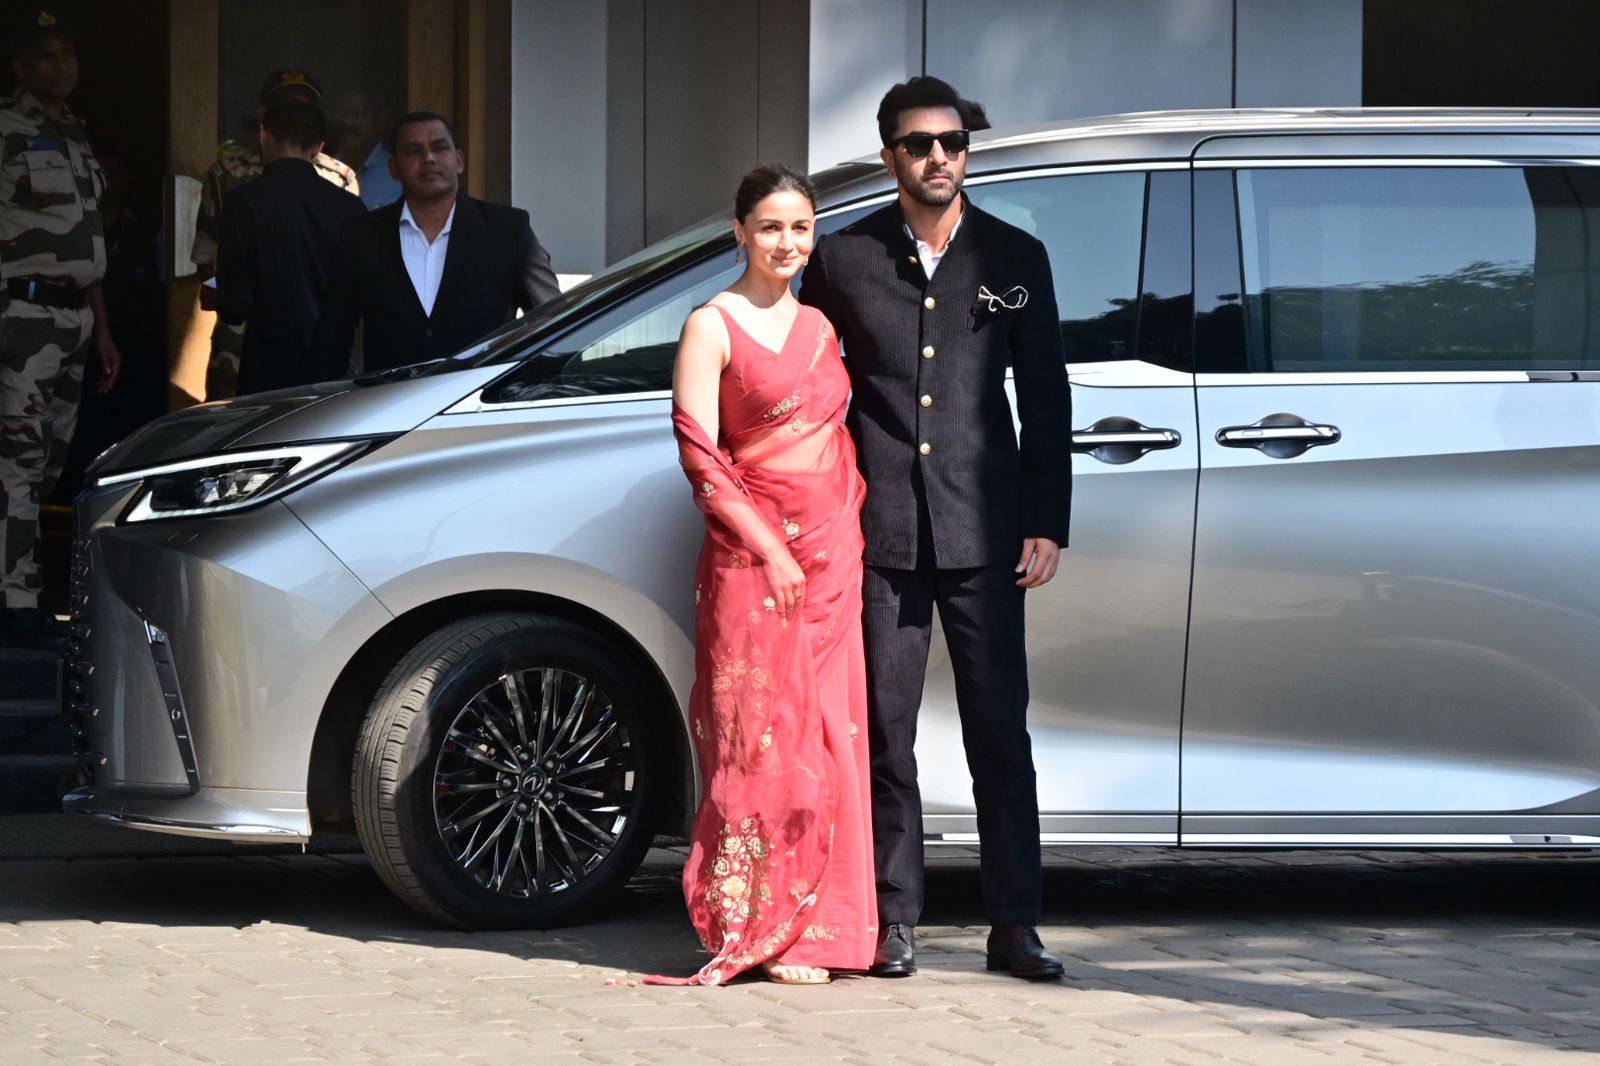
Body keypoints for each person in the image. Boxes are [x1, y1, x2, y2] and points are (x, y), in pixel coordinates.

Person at [798, 76, 1073, 980]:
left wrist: (1046, 521)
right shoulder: (840, 260)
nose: (939, 157)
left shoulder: (1016, 256)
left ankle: (1016, 927)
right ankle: (893, 919)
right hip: (877, 536)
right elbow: (816, 392)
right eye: (919, 144)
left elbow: (1045, 401)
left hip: (985, 532)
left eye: (952, 141)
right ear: (890, 158)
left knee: (1001, 730)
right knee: (886, 730)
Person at [647, 164, 876, 986]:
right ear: (739, 231)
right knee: (759, 742)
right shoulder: (712, 325)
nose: (787, 243)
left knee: (830, 738)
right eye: (771, 227)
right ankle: (757, 928)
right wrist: (771, 550)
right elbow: (701, 456)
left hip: (833, 560)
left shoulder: (820, 325)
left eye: (801, 228)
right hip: (752, 562)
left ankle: (824, 930)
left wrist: (826, 539)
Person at [0, 7, 121, 647]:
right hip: (21, 314)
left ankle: (14, 578)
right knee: (17, 458)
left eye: (69, 52)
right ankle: (15, 600)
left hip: (74, 318)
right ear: (21, 65)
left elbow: (87, 243)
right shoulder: (6, 128)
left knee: (49, 459)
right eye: (47, 54)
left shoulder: (74, 132)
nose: (62, 65)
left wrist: (101, 328)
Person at [312, 111, 558, 374]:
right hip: (388, 406)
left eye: (439, 148)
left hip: (479, 405)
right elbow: (332, 340)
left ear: (459, 161)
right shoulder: (361, 237)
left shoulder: (507, 229)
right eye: (413, 150)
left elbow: (552, 321)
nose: (428, 158)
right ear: (394, 168)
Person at [193, 69, 359, 400]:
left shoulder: (341, 178)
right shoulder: (227, 175)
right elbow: (207, 257)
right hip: (242, 346)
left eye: (305, 108)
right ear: (263, 119)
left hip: (298, 345)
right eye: (285, 107)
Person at [330, 89, 401, 210]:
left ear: (380, 119)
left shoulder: (398, 174)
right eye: (342, 114)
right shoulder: (320, 170)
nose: (347, 123)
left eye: (359, 115)